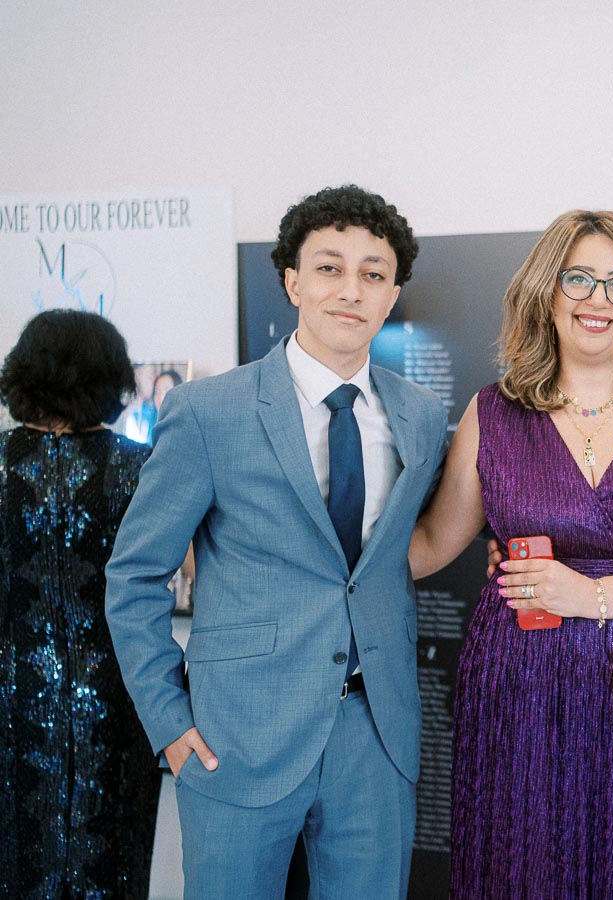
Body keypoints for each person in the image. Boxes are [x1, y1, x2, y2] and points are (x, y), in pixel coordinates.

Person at [105, 185, 447, 897]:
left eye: (373, 274)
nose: (351, 289)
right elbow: (136, 577)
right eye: (329, 267)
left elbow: (389, 561)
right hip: (237, 735)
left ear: (391, 297)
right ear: (292, 281)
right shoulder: (208, 411)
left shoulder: (419, 416)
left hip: (375, 741)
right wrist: (169, 724)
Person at [408, 210, 613, 898]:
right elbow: (431, 546)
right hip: (517, 685)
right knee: (518, 869)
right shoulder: (492, 414)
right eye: (580, 278)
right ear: (546, 292)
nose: (599, 299)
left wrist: (592, 597)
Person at [0, 310, 161, 897]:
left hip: (12, 695)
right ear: (109, 377)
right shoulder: (140, 468)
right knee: (114, 865)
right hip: (120, 700)